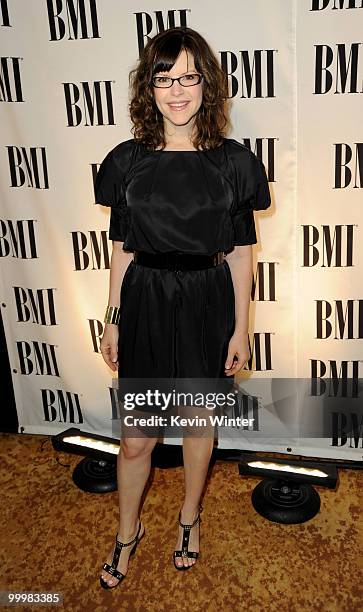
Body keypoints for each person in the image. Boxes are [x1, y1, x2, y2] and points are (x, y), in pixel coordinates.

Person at [95, 26, 271, 588]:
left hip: (206, 301)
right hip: (144, 299)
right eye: (165, 77)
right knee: (136, 438)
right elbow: (122, 248)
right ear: (149, 86)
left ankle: (189, 519)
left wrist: (241, 330)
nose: (177, 91)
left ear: (207, 84)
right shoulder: (125, 161)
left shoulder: (236, 163)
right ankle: (128, 531)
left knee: (197, 423)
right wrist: (113, 317)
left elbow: (242, 255)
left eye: (189, 77)